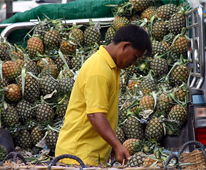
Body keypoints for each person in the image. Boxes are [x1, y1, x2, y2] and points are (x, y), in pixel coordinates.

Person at [55, 24, 152, 166]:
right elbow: (95, 115)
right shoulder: (99, 70)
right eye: (135, 56)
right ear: (125, 46)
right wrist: (118, 145)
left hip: (87, 156)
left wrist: (111, 145)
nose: (134, 63)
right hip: (77, 157)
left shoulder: (110, 66)